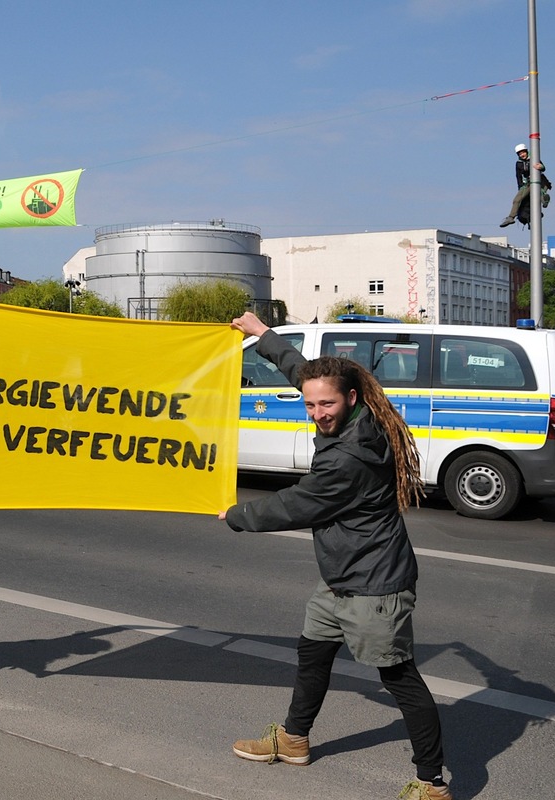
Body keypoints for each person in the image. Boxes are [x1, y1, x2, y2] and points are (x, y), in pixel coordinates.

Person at [220, 312, 449, 800]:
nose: (317, 412)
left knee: (399, 678)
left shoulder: (350, 456)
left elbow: (298, 503)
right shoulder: (348, 407)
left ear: (351, 399)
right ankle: (294, 739)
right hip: (341, 575)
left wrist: (237, 514)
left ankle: (432, 783)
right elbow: (305, 372)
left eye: (327, 404)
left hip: (374, 582)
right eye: (310, 404)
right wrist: (263, 336)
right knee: (312, 654)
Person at [500, 142, 551, 227]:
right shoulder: (519, 163)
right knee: (517, 200)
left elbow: (543, 168)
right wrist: (520, 187)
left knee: (539, 194)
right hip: (527, 183)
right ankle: (511, 217)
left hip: (540, 181)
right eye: (520, 153)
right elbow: (518, 176)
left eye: (523, 152)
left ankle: (544, 200)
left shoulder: (534, 158)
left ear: (526, 151)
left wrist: (541, 167)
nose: (522, 154)